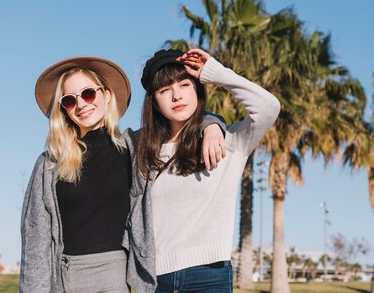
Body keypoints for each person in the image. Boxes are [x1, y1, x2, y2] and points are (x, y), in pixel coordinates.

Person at [20, 56, 226, 293]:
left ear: (106, 95)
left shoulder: (136, 146)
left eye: (88, 94)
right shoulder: (48, 164)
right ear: (64, 110)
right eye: (69, 100)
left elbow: (181, 119)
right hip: (65, 278)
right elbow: (36, 240)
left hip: (114, 276)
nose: (81, 105)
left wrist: (211, 125)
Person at [127, 48, 281, 293]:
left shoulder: (229, 143)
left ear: (197, 90)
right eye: (165, 90)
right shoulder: (140, 150)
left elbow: (269, 107)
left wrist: (215, 73)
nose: (176, 96)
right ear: (154, 102)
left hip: (210, 276)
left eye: (184, 85)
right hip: (157, 280)